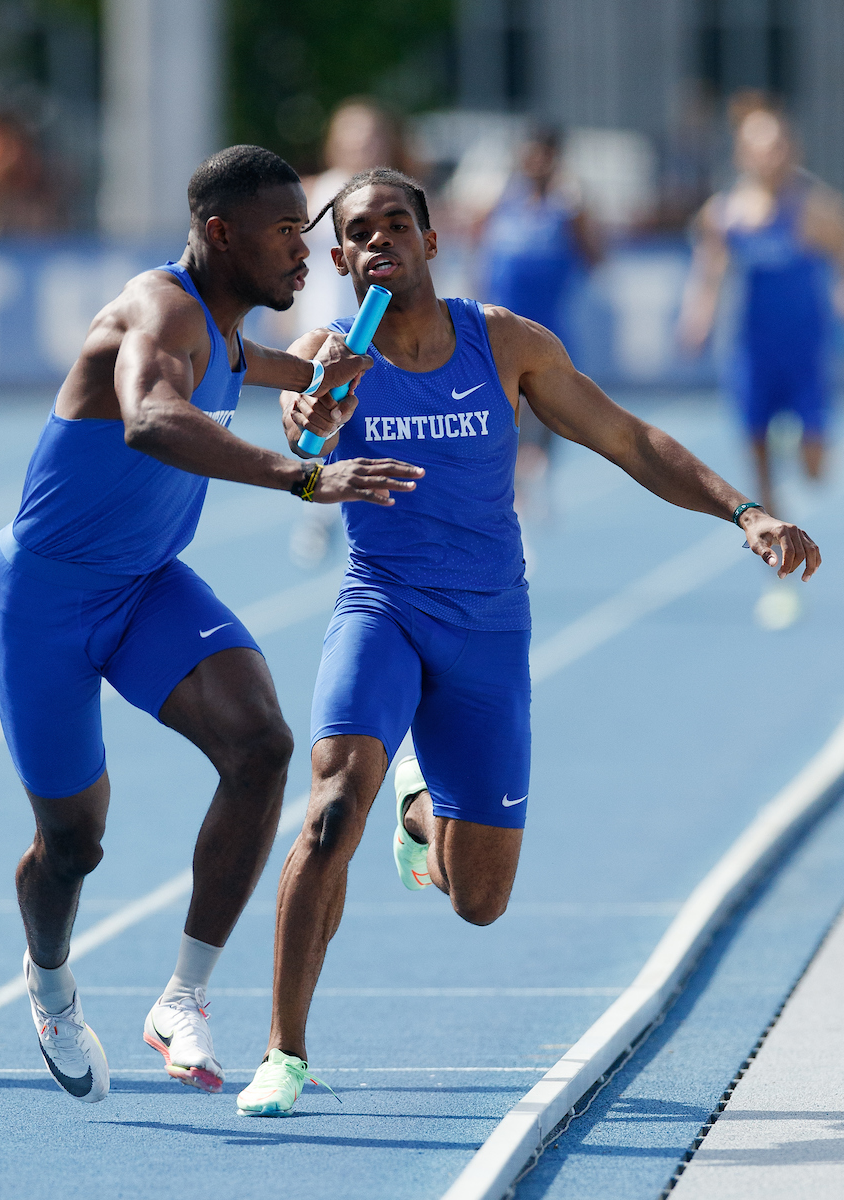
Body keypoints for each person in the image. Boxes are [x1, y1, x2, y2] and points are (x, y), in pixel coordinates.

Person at [234, 167, 821, 1116]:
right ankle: (284, 1053)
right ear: (338, 259)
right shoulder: (327, 353)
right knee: (333, 803)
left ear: (431, 241)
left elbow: (627, 439)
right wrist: (318, 409)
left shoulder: (503, 343)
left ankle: (419, 806)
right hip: (380, 605)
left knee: (479, 899)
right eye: (359, 233)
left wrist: (744, 511)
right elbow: (302, 440)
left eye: (397, 225)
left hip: (490, 630)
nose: (379, 241)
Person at [0, 145, 422, 1105]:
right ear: (220, 234)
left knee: (260, 747)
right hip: (41, 603)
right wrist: (303, 474)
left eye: (308, 233)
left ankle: (183, 998)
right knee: (74, 846)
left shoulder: (218, 328)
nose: (304, 254)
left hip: (143, 588)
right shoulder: (158, 307)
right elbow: (152, 417)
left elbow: (262, 367)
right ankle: (49, 983)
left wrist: (314, 374)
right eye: (283, 234)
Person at [679, 108, 844, 628]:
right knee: (760, 472)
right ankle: (781, 568)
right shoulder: (724, 213)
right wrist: (697, 317)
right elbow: (708, 273)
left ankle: (801, 440)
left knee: (817, 470)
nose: (768, 157)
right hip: (752, 355)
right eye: (758, 147)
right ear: (742, 154)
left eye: (777, 146)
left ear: (790, 151)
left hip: (804, 354)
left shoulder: (812, 209)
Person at [289, 98, 402, 568]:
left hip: (377, 331)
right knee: (316, 428)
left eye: (371, 136)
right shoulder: (316, 195)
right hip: (324, 333)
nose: (363, 145)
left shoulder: (395, 198)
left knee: (374, 427)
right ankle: (316, 510)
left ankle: (381, 519)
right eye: (353, 135)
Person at [477, 128, 601, 521]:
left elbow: (594, 257)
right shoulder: (502, 202)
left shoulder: (567, 208)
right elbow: (481, 252)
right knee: (504, 403)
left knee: (550, 404)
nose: (535, 163)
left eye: (543, 156)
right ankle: (513, 479)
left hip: (548, 324)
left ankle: (538, 469)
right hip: (501, 325)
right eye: (529, 155)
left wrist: (582, 214)